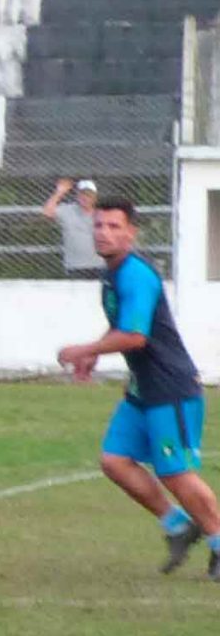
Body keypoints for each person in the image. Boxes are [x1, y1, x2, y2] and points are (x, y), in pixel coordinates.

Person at [55, 193, 220, 575]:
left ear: (132, 233)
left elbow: (134, 336)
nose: (104, 233)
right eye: (99, 225)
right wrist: (95, 353)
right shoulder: (112, 273)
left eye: (114, 226)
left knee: (175, 472)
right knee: (114, 460)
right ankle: (179, 526)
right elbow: (123, 323)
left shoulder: (136, 275)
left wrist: (85, 349)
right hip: (142, 389)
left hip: (169, 389)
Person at [44, 178, 99, 275]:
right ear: (77, 195)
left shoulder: (102, 212)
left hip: (100, 266)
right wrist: (59, 192)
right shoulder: (68, 210)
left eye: (89, 195)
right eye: (82, 194)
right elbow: (47, 212)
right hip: (75, 266)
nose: (85, 198)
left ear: (95, 197)